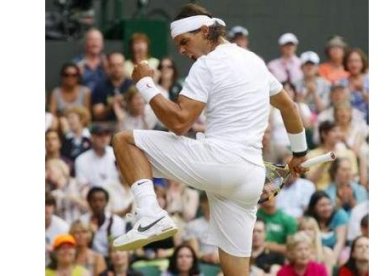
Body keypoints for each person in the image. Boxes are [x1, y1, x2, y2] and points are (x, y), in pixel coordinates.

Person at [111, 4, 309, 275]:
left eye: (184, 41)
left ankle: (150, 214)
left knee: (124, 141)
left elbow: (179, 123)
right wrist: (299, 154)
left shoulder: (206, 64)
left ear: (205, 31)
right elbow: (289, 107)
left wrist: (145, 84)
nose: (181, 50)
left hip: (221, 163)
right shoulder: (254, 62)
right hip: (250, 179)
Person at [80, 187, 126, 257]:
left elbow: (118, 248)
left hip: (110, 259)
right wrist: (91, 234)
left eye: (101, 200)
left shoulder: (116, 221)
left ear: (106, 202)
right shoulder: (82, 221)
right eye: (94, 200)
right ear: (88, 202)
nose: (98, 204)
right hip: (88, 258)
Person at [305, 191, 349, 263]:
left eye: (329, 204)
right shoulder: (309, 219)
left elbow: (340, 242)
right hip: (316, 253)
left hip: (336, 253)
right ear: (313, 208)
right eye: (322, 205)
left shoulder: (340, 215)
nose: (327, 208)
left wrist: (332, 261)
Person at [92, 52, 134, 122]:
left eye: (119, 65)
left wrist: (126, 103)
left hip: (130, 124)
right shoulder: (100, 86)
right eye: (113, 65)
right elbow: (97, 115)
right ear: (108, 67)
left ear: (124, 66)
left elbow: (140, 111)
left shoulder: (132, 85)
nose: (116, 68)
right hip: (107, 126)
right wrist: (112, 105)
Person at [75, 124, 119, 189]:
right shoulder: (81, 159)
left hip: (118, 195)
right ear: (92, 137)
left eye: (107, 134)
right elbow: (83, 186)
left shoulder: (116, 154)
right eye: (100, 135)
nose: (104, 138)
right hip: (94, 196)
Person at [181, 191, 219, 265]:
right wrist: (205, 256)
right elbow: (194, 252)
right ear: (202, 203)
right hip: (202, 263)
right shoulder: (193, 225)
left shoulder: (227, 227)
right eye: (210, 200)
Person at [338, 48, 369, 122]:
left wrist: (363, 91)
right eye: (350, 61)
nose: (354, 64)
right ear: (346, 64)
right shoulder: (341, 83)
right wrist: (347, 92)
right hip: (347, 120)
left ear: (362, 63)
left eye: (357, 61)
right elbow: (337, 106)